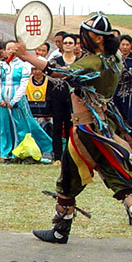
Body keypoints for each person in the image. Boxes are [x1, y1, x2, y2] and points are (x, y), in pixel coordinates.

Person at [16, 13, 132, 253]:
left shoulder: (92, 62)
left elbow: (59, 72)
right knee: (119, 183)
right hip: (106, 132)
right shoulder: (114, 60)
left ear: (96, 38)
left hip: (85, 133)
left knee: (67, 185)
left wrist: (27, 56)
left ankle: (61, 230)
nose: (81, 39)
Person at [0, 41, 52, 160]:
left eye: (13, 48)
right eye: (8, 49)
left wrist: (14, 100)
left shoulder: (24, 65)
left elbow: (23, 84)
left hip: (17, 96)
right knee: (5, 126)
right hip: (3, 95)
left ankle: (20, 151)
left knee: (21, 125)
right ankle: (5, 152)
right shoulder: (0, 65)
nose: (10, 51)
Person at [48, 34, 79, 165]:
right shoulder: (56, 61)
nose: (67, 44)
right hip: (57, 98)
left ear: (75, 45)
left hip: (73, 99)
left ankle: (69, 155)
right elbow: (49, 80)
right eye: (65, 42)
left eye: (70, 43)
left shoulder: (79, 62)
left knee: (70, 127)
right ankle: (57, 157)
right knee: (56, 127)